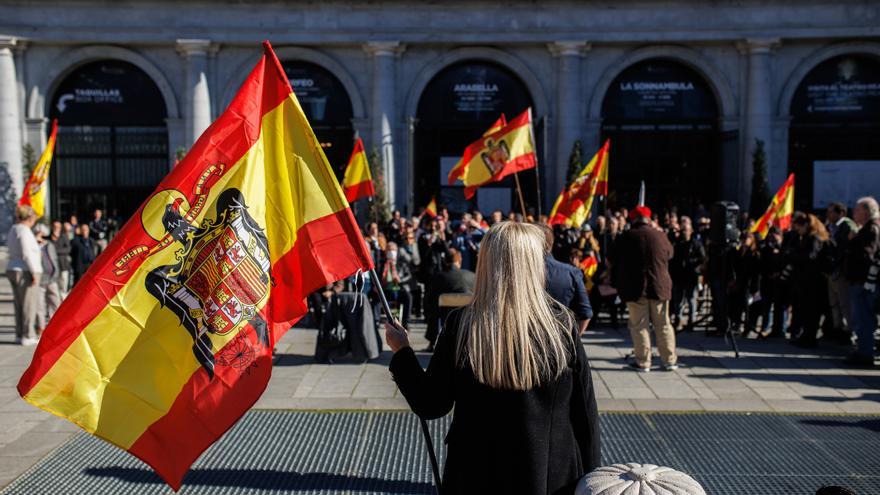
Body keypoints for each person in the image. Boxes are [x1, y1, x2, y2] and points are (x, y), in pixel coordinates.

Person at [386, 222, 600, 494]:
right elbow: (586, 414)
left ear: (486, 263)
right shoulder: (562, 325)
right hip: (550, 475)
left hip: (475, 472)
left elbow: (431, 404)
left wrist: (403, 352)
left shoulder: (463, 324)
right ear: (534, 264)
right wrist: (594, 477)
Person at [611, 206, 678, 372]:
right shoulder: (660, 235)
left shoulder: (627, 237)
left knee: (639, 325)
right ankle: (669, 360)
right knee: (663, 324)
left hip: (636, 288)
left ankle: (643, 362)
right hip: (659, 287)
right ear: (649, 220)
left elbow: (614, 257)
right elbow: (670, 254)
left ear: (633, 220)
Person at [844, 196, 880, 366]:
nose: (854, 213)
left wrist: (853, 242)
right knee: (862, 319)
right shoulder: (867, 228)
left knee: (864, 319)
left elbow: (867, 255)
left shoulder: (872, 229)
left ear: (866, 211)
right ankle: (863, 351)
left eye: (857, 210)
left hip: (863, 282)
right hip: (861, 281)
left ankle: (865, 354)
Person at [786, 213, 831, 348]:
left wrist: (793, 254)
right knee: (805, 310)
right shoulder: (806, 238)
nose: (797, 229)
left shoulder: (815, 238)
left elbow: (810, 256)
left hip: (813, 281)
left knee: (812, 310)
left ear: (807, 225)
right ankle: (806, 335)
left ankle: (810, 337)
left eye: (799, 226)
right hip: (806, 279)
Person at [541, 224, 593, 334]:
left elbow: (586, 313)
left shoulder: (516, 272)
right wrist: (572, 341)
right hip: (561, 338)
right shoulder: (571, 272)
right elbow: (586, 314)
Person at [423, 248, 475, 350]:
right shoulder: (471, 275)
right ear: (459, 261)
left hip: (444, 315)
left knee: (432, 304)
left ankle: (432, 341)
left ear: (445, 261)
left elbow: (430, 297)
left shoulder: (439, 276)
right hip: (467, 314)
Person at [5, 206, 43, 345]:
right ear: (30, 218)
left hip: (13, 267)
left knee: (19, 304)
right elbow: (27, 253)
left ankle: (19, 333)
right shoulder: (25, 231)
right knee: (29, 304)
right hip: (25, 269)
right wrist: (34, 272)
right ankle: (28, 335)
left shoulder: (13, 229)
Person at [825, 202, 857, 342]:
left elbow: (845, 249)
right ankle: (837, 329)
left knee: (845, 304)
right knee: (834, 303)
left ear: (841, 213)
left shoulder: (847, 226)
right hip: (831, 272)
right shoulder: (829, 227)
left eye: (832, 212)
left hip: (841, 272)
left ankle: (848, 331)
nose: (829, 214)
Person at [670, 216, 706, 332]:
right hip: (678, 276)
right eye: (683, 230)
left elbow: (702, 258)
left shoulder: (696, 244)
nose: (685, 232)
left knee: (691, 299)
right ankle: (678, 320)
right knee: (678, 300)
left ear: (691, 231)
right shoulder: (677, 243)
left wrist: (691, 263)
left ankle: (692, 321)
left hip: (691, 276)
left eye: (687, 230)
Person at [379, 242, 413, 329]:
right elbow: (377, 275)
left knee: (408, 297)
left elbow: (408, 275)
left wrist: (400, 280)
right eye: (389, 250)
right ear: (386, 251)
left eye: (393, 250)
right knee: (375, 297)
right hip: (385, 290)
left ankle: (406, 322)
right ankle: (376, 321)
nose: (391, 252)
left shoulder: (401, 262)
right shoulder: (381, 263)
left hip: (399, 289)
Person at [34, 224, 61, 332]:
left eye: (43, 234)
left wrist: (56, 271)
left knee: (55, 302)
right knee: (39, 304)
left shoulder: (49, 245)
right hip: (40, 279)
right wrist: (36, 242)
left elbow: (54, 259)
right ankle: (41, 326)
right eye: (39, 233)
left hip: (52, 278)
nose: (41, 236)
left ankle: (54, 325)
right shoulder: (33, 245)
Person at [50, 220, 72, 297]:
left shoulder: (63, 236)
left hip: (63, 265)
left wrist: (55, 251)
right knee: (54, 286)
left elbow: (68, 249)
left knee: (63, 285)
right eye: (55, 227)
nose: (56, 228)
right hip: (52, 266)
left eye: (58, 227)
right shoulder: (50, 237)